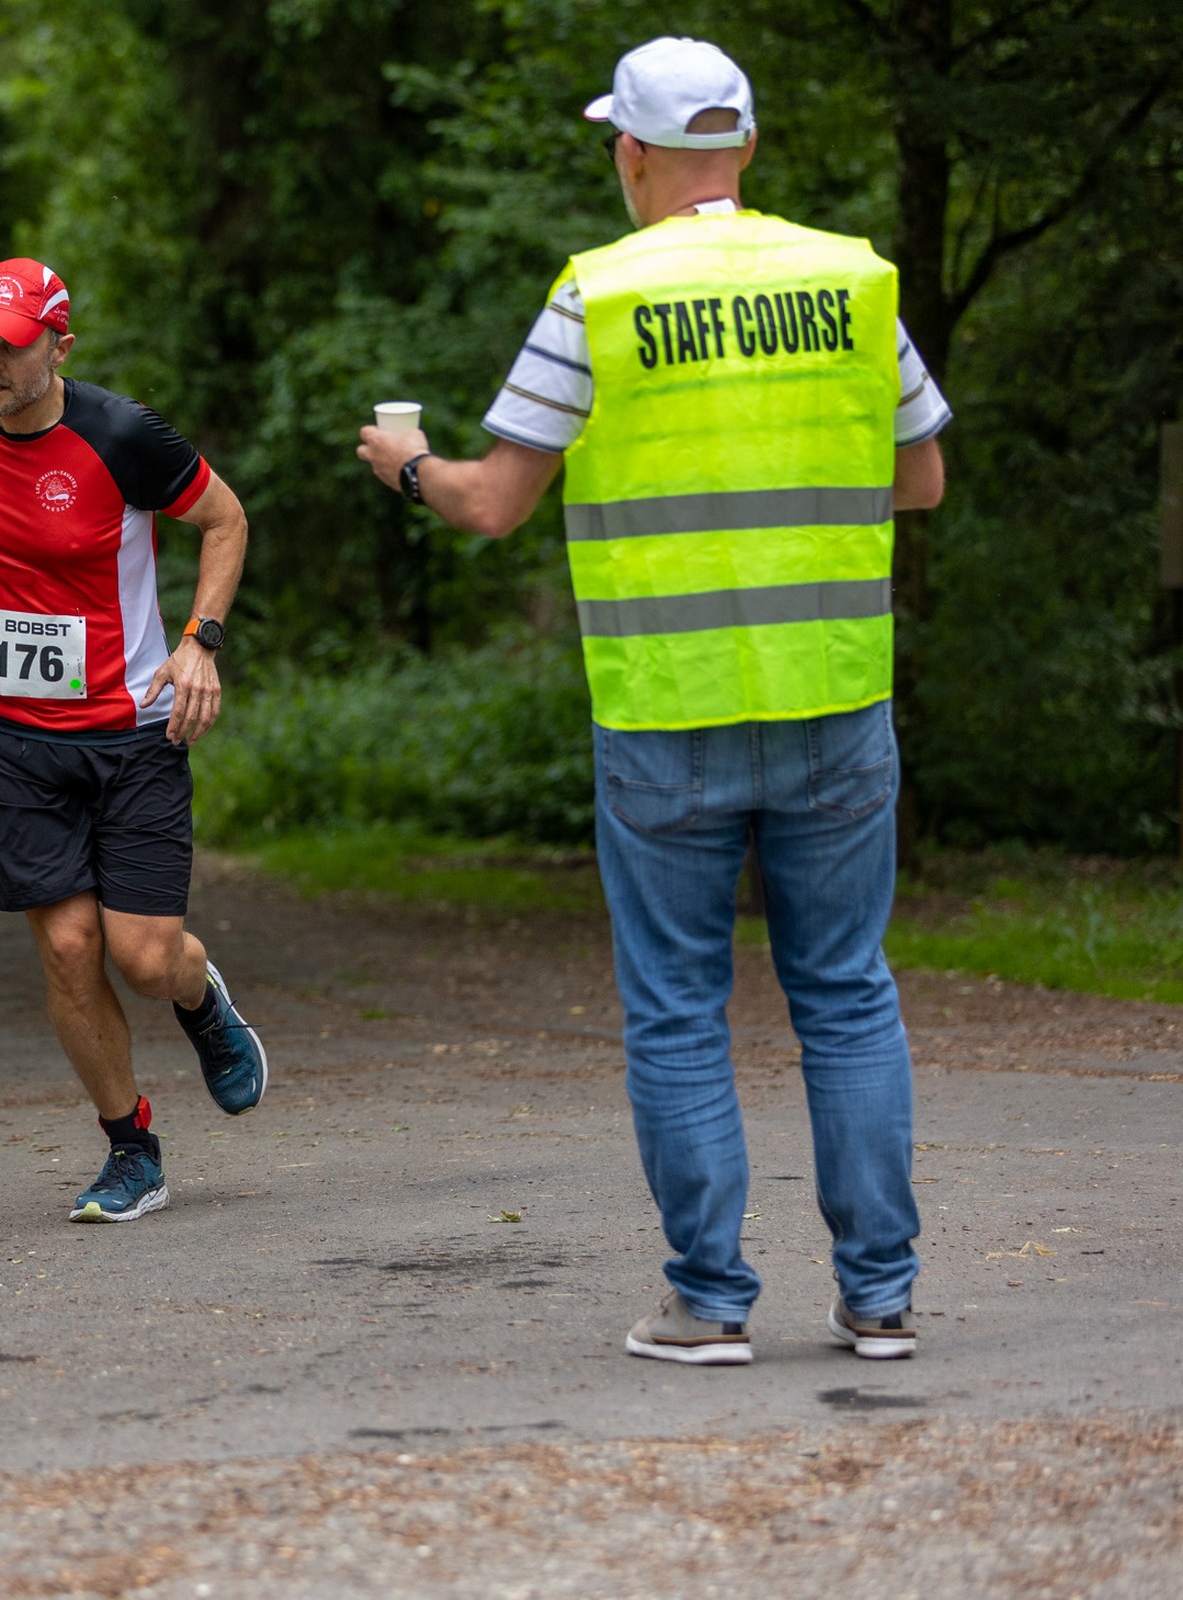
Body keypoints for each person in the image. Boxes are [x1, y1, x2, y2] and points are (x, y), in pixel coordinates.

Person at [356, 37, 951, 1365]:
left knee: (681, 1009)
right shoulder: (853, 280)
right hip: (834, 695)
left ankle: (711, 1302)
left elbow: (492, 504)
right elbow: (922, 481)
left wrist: (407, 463)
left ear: (629, 152)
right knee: (847, 993)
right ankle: (881, 1296)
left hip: (666, 708)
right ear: (746, 146)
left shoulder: (601, 294)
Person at [0, 258, 270, 1226]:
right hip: (11, 732)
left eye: (12, 346)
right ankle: (131, 1149)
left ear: (59, 348)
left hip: (131, 729)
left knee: (144, 959)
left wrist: (201, 641)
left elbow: (226, 518)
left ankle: (201, 999)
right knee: (69, 948)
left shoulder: (123, 437)